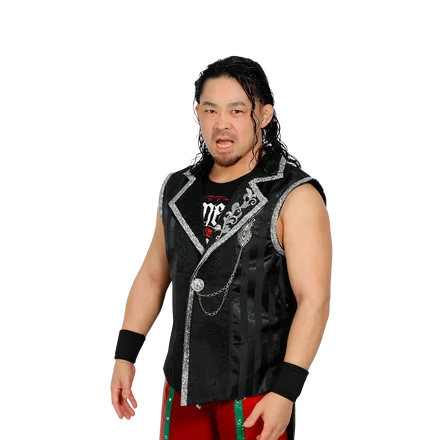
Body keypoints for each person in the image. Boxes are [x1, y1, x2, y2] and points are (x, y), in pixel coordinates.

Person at [108, 54, 333, 440]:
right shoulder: (179, 188)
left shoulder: (294, 195)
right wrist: (124, 355)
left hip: (256, 391)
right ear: (197, 113)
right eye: (211, 110)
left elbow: (314, 299)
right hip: (182, 386)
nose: (222, 124)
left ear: (263, 115)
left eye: (236, 110)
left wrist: (286, 390)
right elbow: (152, 277)